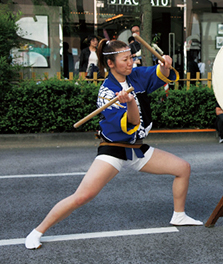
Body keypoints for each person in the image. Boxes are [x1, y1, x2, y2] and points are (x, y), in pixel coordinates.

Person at [25, 39, 202, 250]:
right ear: (111, 64)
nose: (131, 63)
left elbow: (160, 74)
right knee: (83, 195)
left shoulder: (135, 76)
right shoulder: (106, 92)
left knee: (183, 168)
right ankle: (37, 231)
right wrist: (129, 103)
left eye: (132, 58)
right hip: (114, 150)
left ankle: (179, 215)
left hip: (137, 149)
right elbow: (133, 122)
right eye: (125, 60)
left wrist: (164, 66)